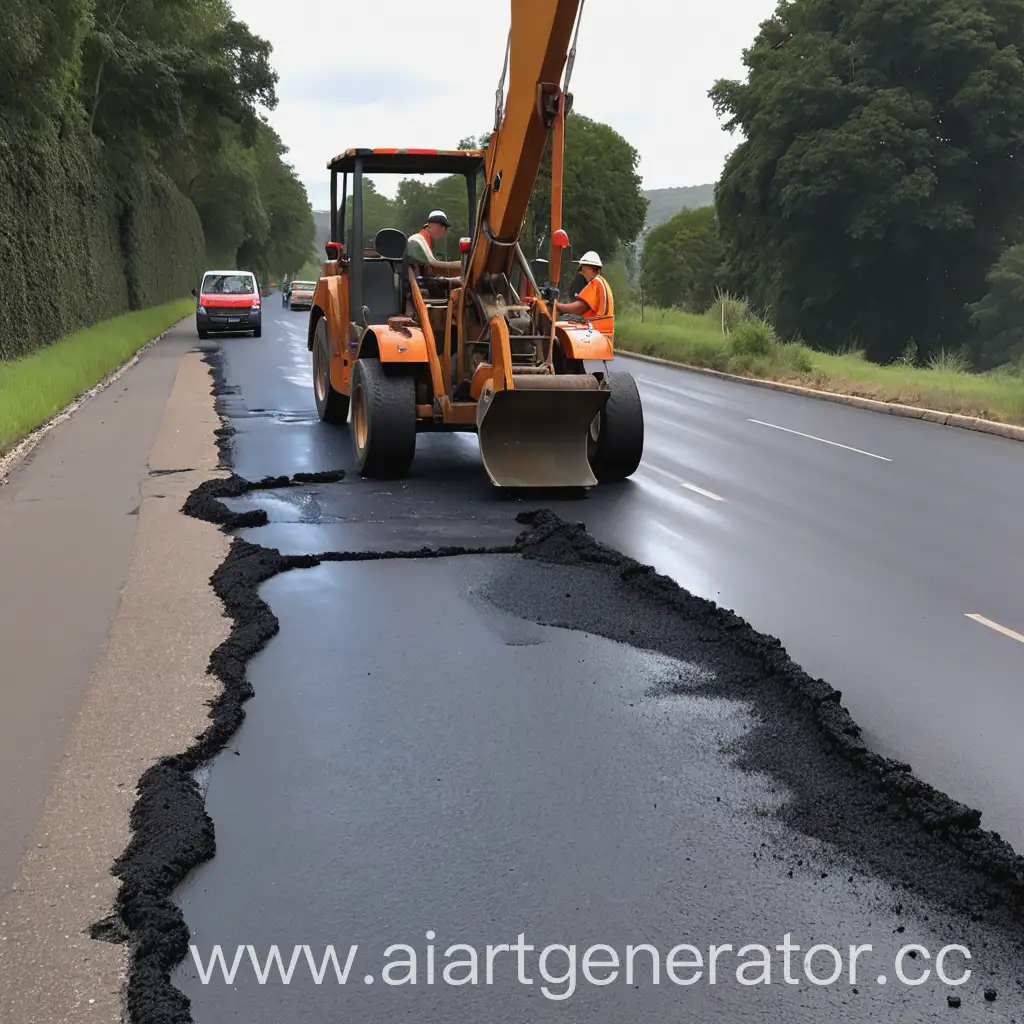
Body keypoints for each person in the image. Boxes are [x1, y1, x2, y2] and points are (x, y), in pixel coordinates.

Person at [554, 251, 614, 336]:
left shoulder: (596, 283)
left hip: (596, 332)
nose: (582, 273)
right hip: (603, 333)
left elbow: (579, 308)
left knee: (560, 323)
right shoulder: (603, 283)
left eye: (583, 269)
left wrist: (557, 305)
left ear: (589, 267)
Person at [407, 211, 460, 276]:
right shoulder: (416, 240)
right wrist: (463, 264)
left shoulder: (427, 241)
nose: (443, 230)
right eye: (441, 225)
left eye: (445, 227)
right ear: (429, 225)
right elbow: (434, 264)